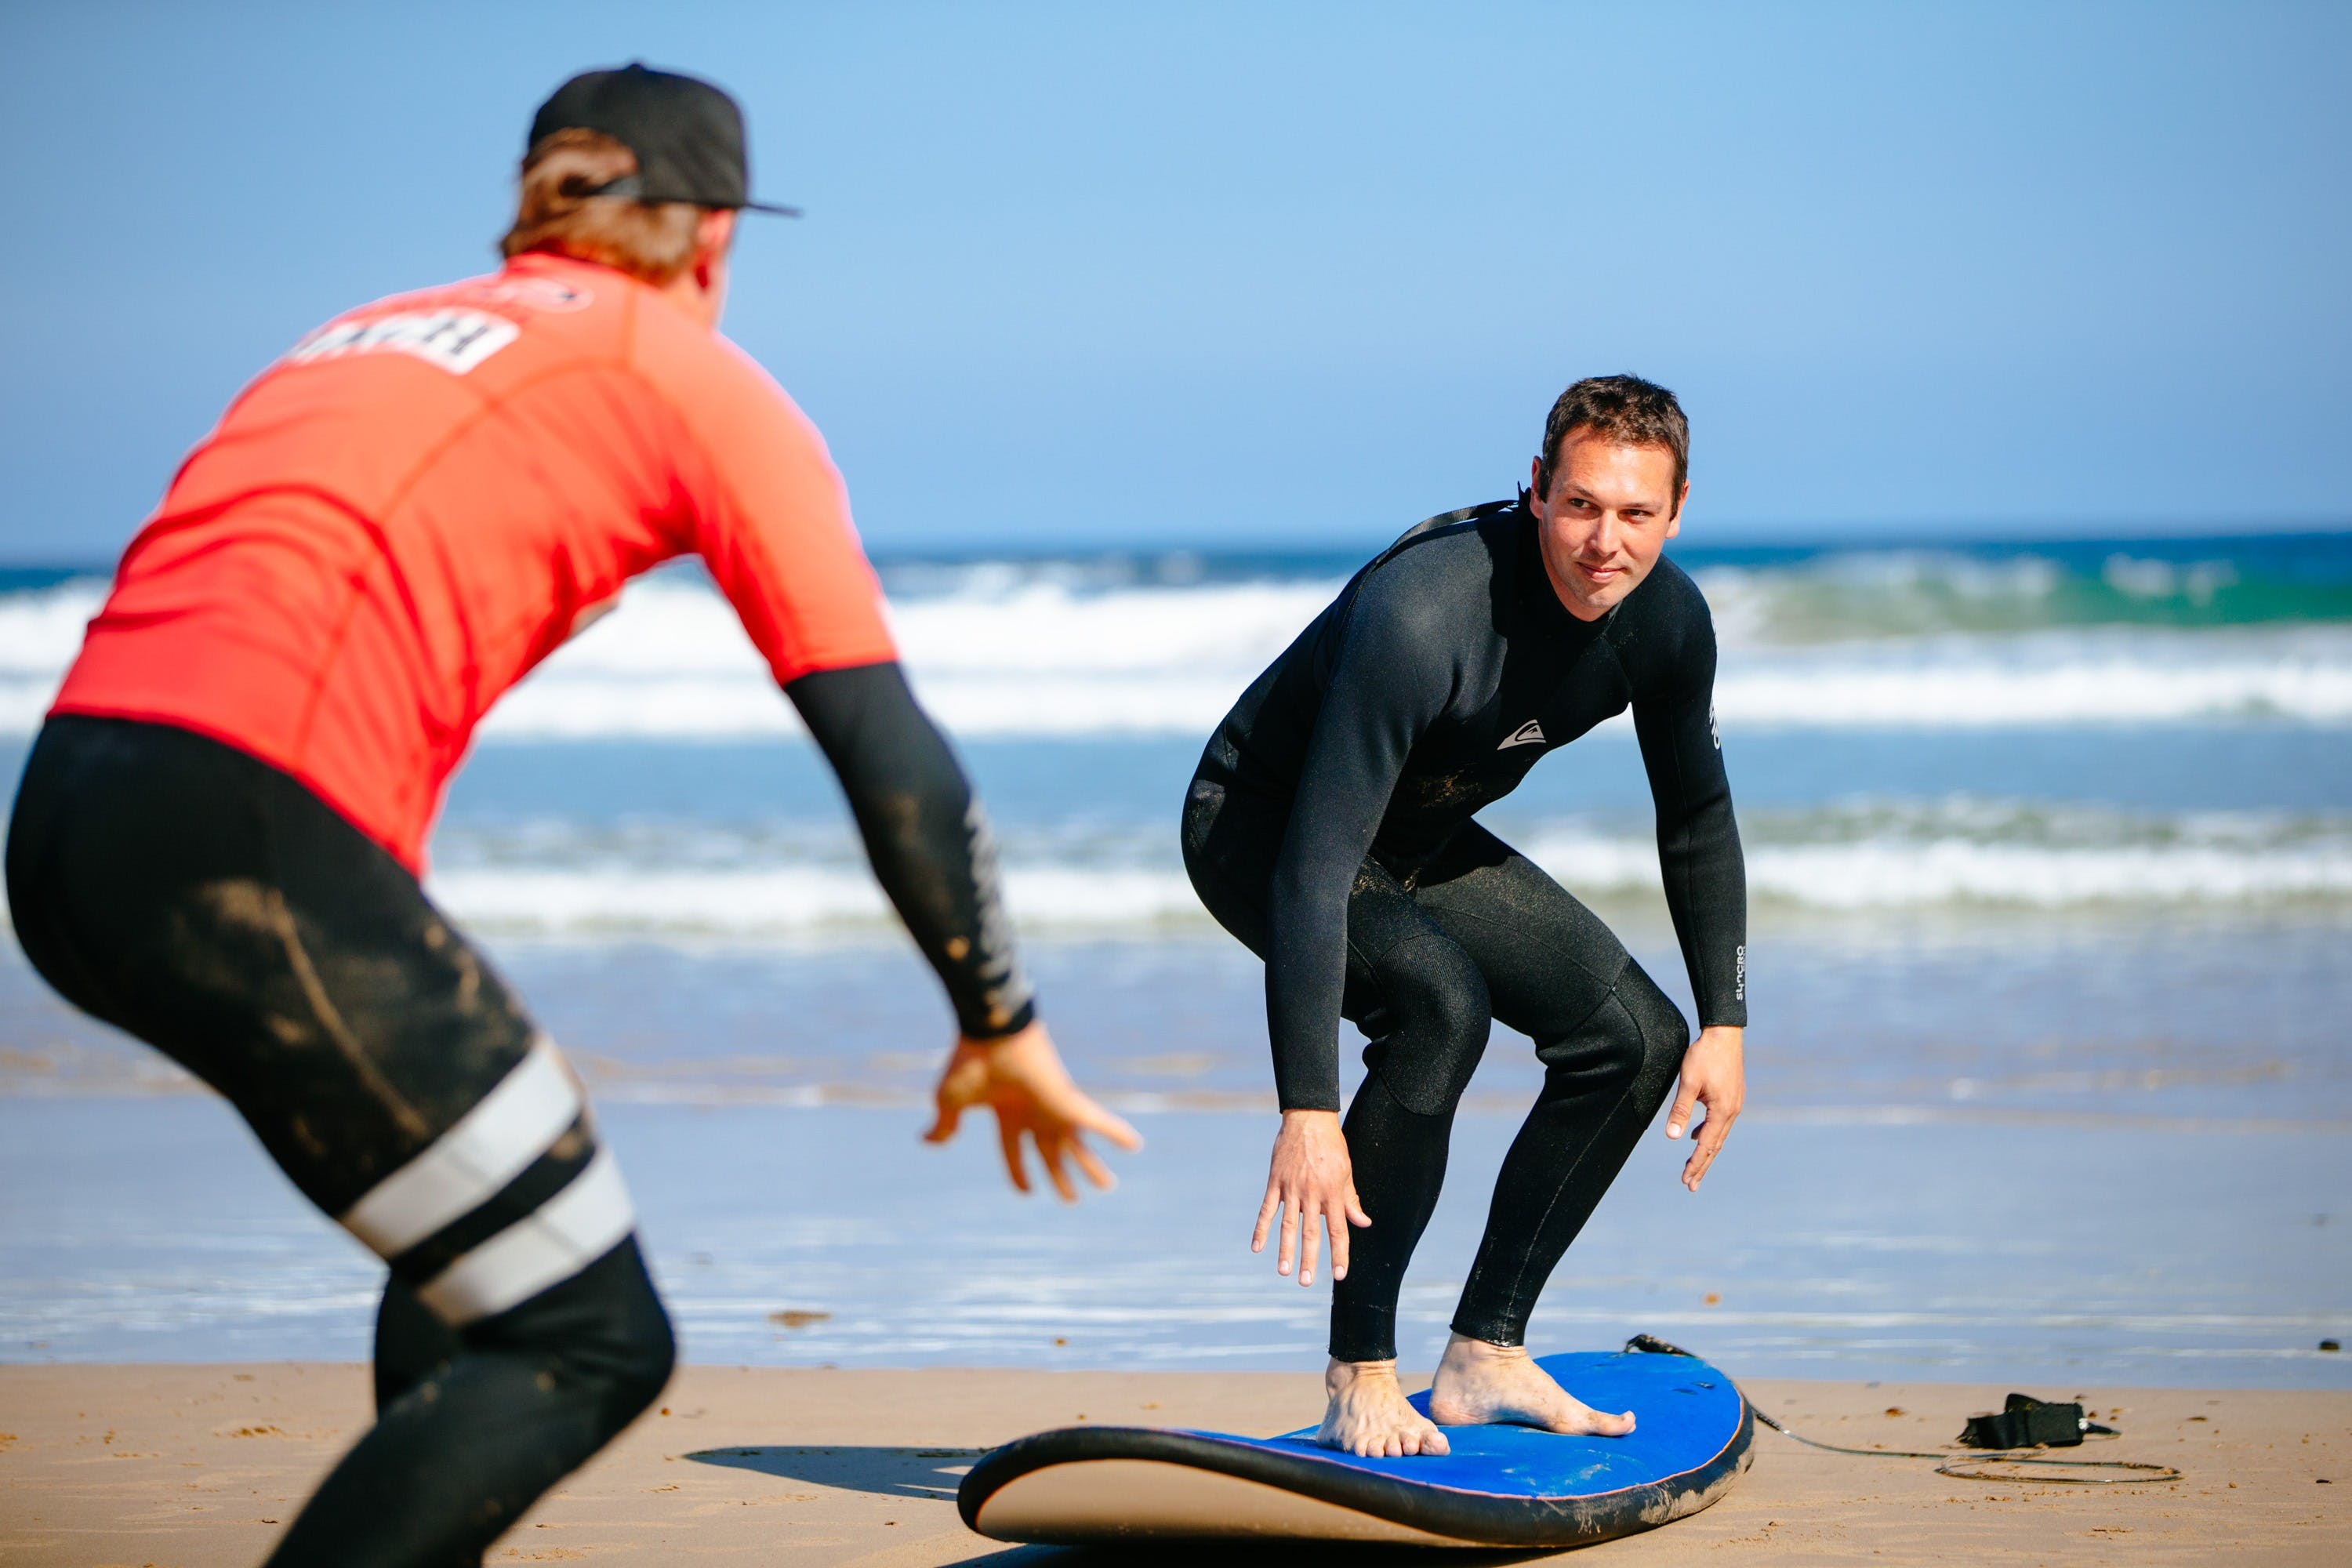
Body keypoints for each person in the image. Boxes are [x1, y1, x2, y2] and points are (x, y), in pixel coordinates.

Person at [5, 64, 1138, 1566]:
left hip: (71, 809)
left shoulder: (363, 334)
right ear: (715, 238)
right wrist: (997, 1015)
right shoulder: (689, 381)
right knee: (589, 1341)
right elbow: (890, 749)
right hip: (246, 835)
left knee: (490, 1249)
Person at [1181, 375, 1746, 1458]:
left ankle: (1486, 1353)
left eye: (1636, 514)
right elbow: (1312, 872)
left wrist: (1726, 1020)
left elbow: (1697, 814)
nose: (1603, 543)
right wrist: (1307, 1107)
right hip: (1263, 832)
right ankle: (1362, 1376)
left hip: (1414, 839)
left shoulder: (1667, 622)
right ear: (1535, 491)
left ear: (1677, 515)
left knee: (1636, 1041)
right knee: (1441, 1007)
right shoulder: (1424, 614)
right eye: (1580, 505)